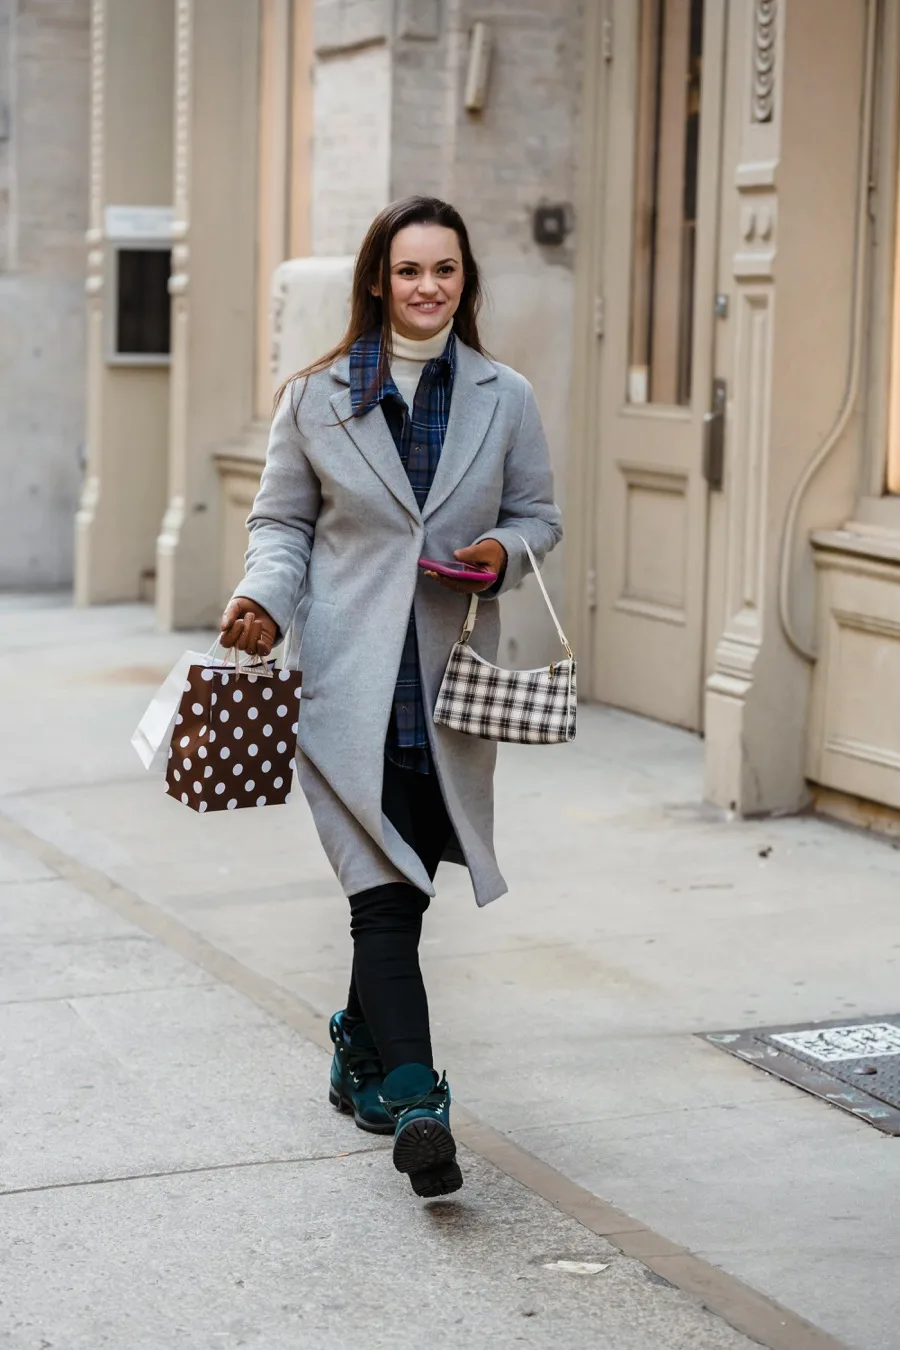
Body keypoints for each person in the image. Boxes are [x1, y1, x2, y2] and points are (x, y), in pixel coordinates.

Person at [220, 195, 562, 1198]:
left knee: (405, 887)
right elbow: (282, 523)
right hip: (343, 682)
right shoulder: (314, 397)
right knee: (379, 893)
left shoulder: (505, 396)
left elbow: (538, 515)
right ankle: (418, 1102)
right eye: (409, 270)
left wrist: (502, 552)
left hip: (447, 686)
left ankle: (356, 1049)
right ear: (378, 279)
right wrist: (262, 599)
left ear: (465, 279)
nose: (427, 287)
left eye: (444, 270)